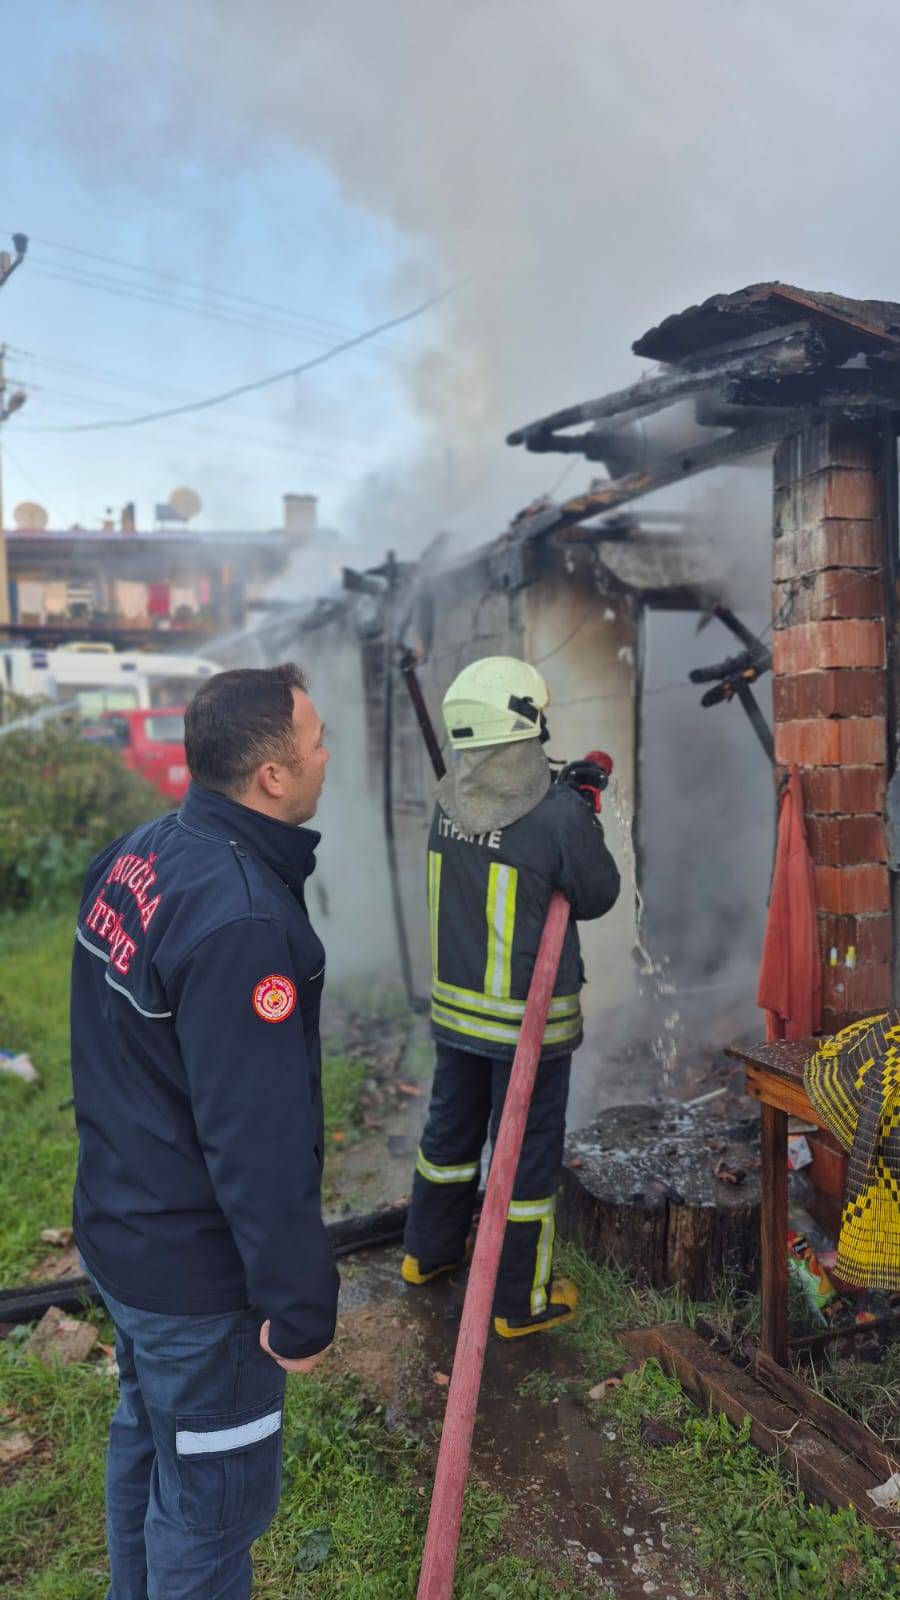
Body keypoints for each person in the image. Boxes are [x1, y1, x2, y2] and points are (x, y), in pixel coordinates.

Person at [69, 663, 338, 1600]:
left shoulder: (142, 852)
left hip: (124, 1235)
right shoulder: (244, 924)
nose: (327, 756)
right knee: (209, 1516)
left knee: (149, 1442)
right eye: (316, 742)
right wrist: (298, 1306)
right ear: (272, 774)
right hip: (196, 1283)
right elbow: (258, 1144)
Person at [402, 656, 620, 1337]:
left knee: (449, 1134)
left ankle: (427, 1253)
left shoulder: (447, 800)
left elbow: (507, 833)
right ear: (526, 725)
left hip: (457, 1014)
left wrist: (565, 796)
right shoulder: (556, 818)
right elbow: (599, 892)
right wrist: (581, 811)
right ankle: (518, 1303)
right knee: (524, 1158)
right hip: (527, 1025)